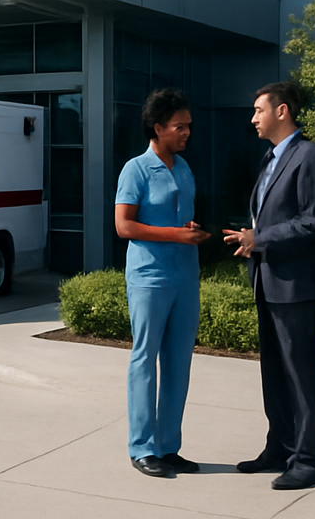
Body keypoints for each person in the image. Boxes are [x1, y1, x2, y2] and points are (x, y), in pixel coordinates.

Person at [222, 81, 315, 491]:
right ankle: (281, 446)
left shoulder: (310, 156)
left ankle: (309, 459)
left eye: (258, 110)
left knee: (301, 375)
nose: (253, 118)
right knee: (274, 372)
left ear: (282, 111)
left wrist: (260, 239)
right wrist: (252, 236)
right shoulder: (271, 159)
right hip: (268, 283)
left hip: (297, 286)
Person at [114, 87, 209, 478]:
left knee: (178, 363)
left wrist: (190, 230)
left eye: (188, 126)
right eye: (179, 126)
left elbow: (179, 219)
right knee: (145, 360)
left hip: (186, 276)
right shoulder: (135, 169)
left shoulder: (184, 168)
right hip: (150, 278)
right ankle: (142, 448)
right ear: (158, 128)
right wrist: (175, 235)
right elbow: (124, 226)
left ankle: (169, 447)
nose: (187, 132)